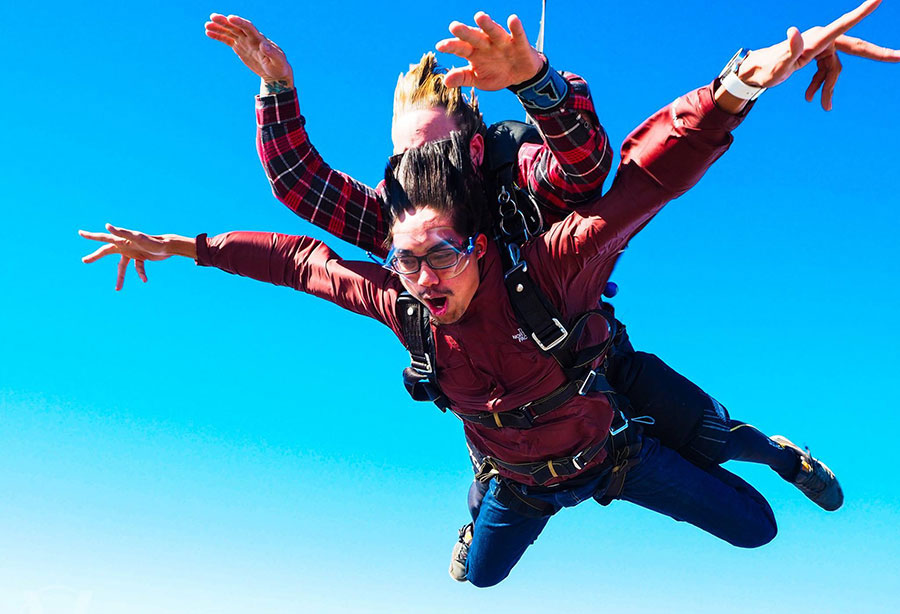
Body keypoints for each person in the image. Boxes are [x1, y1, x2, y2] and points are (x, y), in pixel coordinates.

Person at [78, 6, 893, 582]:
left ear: (470, 152)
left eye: (429, 157)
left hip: (593, 374)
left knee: (718, 453)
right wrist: (268, 107)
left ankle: (773, 449)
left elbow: (606, 176)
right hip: (515, 446)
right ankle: (489, 491)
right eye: (398, 165)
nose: (409, 184)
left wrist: (557, 85)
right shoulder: (408, 240)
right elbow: (304, 217)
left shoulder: (522, 207)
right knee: (482, 569)